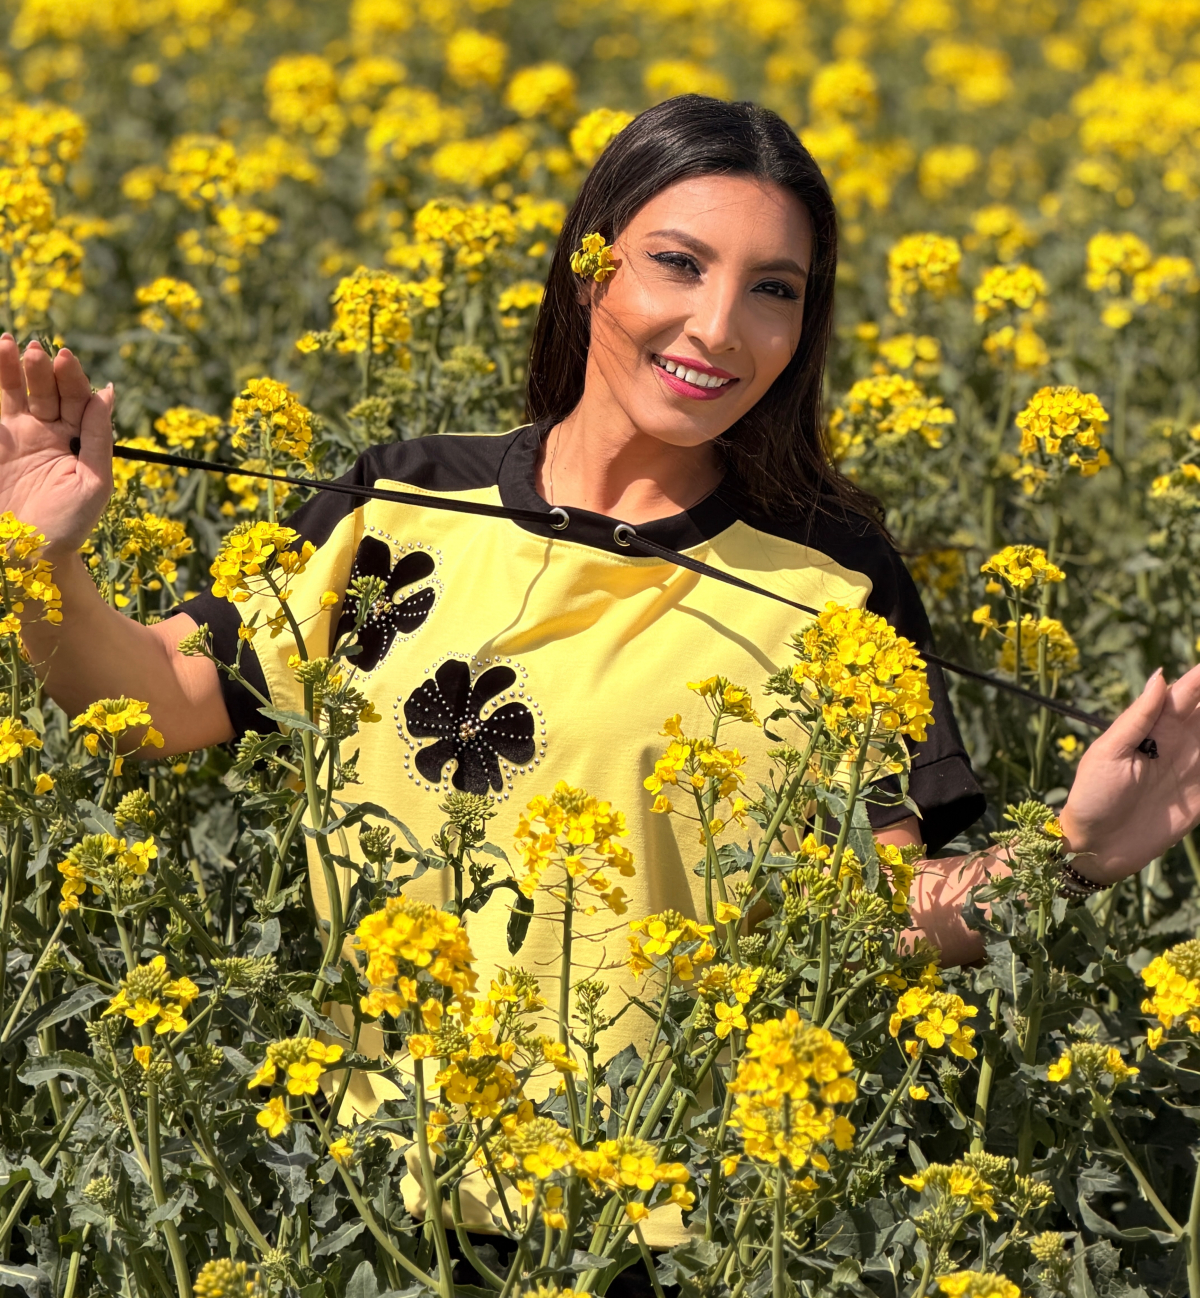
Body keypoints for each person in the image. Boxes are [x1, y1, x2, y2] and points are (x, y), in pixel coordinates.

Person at [4, 93, 1200, 997]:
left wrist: (1072, 853)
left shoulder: (834, 574)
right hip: (386, 1187)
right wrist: (33, 559)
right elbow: (153, 705)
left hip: (673, 1214)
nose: (718, 327)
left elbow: (872, 915)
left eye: (774, 289)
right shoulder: (402, 498)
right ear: (591, 267)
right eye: (679, 263)